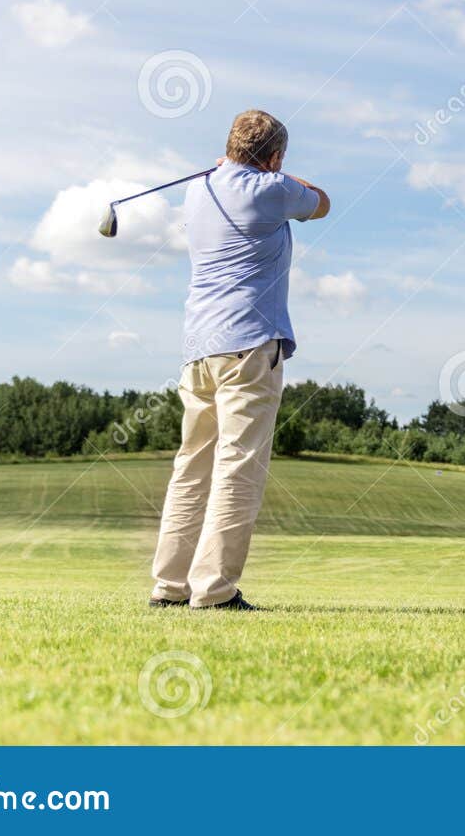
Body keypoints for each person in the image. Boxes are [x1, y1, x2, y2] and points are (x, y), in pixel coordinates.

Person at [148, 109, 330, 610]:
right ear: (275, 157)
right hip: (249, 346)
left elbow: (240, 173)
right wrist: (277, 173)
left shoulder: (198, 189)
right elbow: (322, 203)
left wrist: (228, 167)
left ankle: (170, 586)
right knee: (237, 468)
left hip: (197, 349)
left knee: (192, 467)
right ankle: (214, 590)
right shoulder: (273, 189)